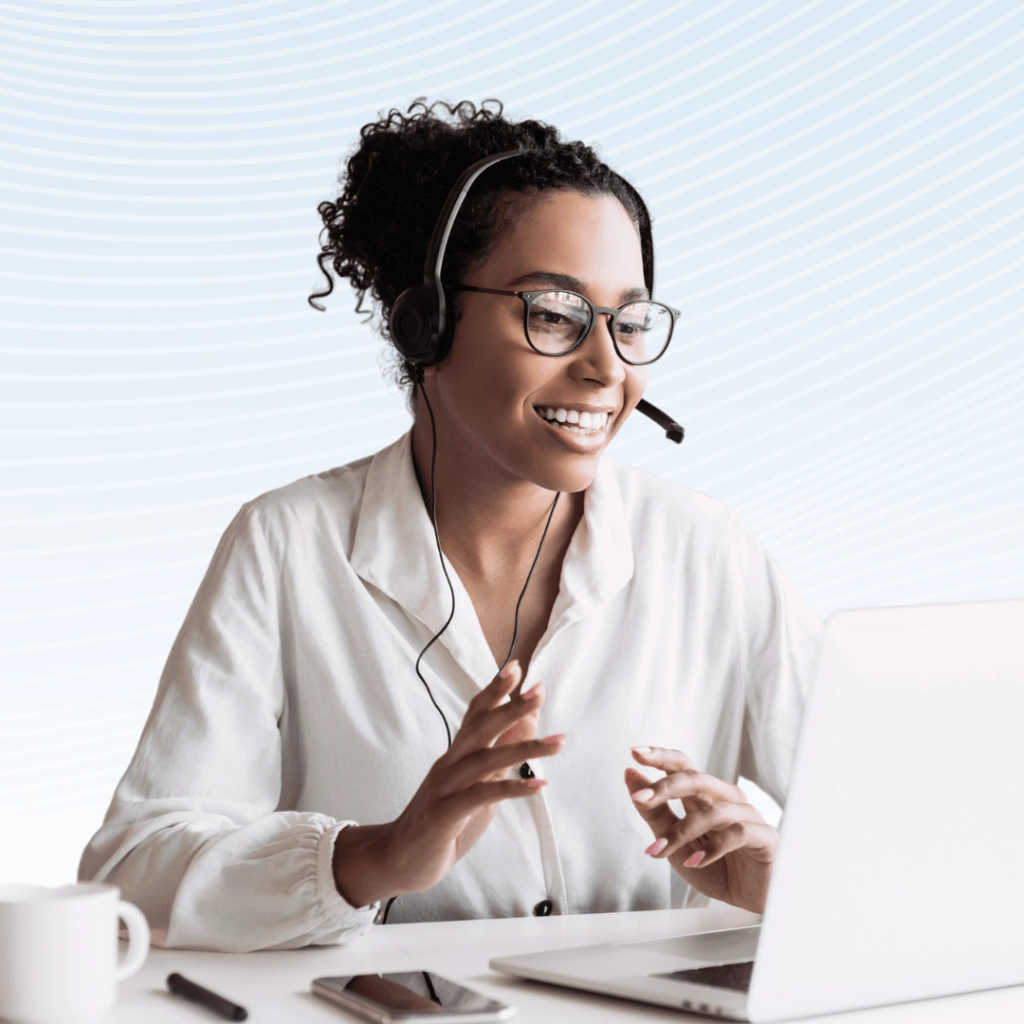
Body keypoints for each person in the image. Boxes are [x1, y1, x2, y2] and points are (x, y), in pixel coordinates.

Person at [79, 99, 823, 953]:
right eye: (554, 313)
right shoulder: (289, 546)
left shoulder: (707, 550)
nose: (606, 368)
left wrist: (790, 875)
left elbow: (912, 831)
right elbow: (131, 875)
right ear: (425, 321)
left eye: (629, 323)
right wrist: (371, 857)